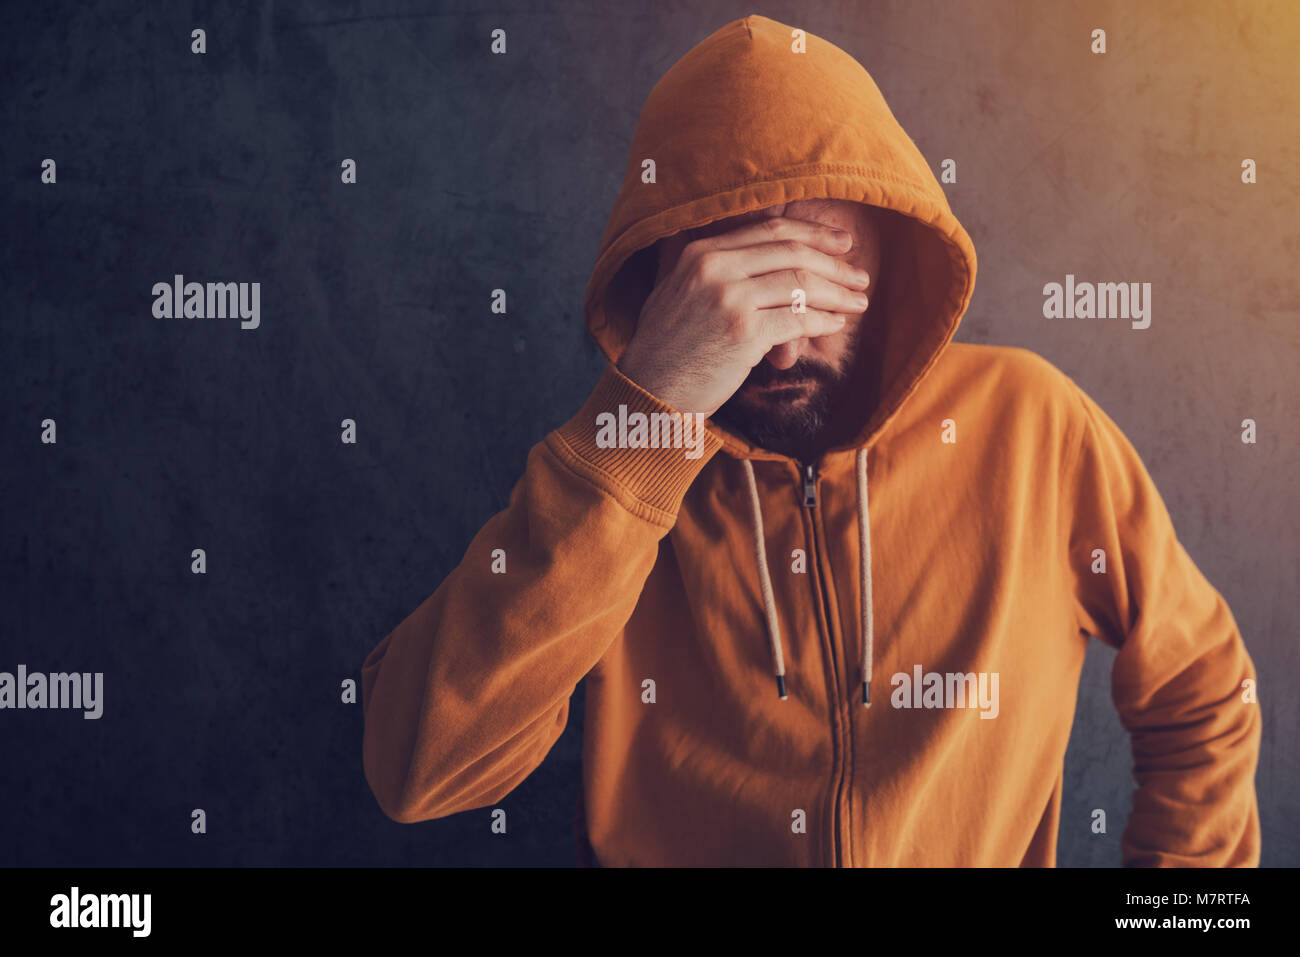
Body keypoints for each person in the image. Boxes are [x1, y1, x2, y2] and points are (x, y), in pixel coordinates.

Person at [359, 14, 1261, 866]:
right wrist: (645, 418)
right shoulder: (609, 489)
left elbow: (1205, 690)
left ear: (888, 249)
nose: (780, 343)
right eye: (733, 290)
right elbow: (419, 773)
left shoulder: (1030, 424)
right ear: (662, 294)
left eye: (819, 276)